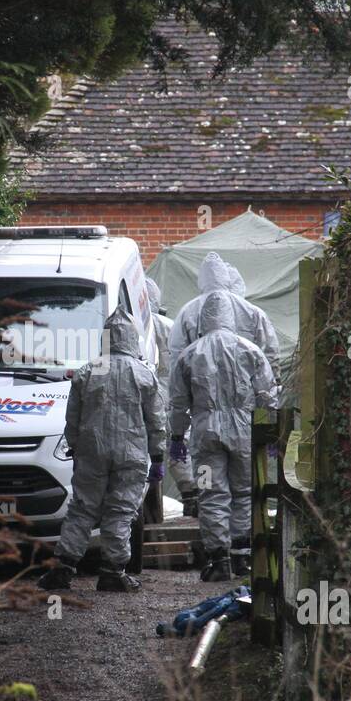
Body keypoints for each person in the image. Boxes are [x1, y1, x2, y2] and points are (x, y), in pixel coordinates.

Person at [38, 305, 166, 593]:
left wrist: (73, 447)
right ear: (132, 338)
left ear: (105, 338)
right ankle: (113, 570)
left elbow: (73, 418)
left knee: (82, 508)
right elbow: (156, 420)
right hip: (131, 452)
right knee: (121, 510)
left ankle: (64, 568)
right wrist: (157, 455)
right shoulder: (144, 374)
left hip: (91, 451)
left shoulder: (87, 372)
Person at [167, 251, 280, 554]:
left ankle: (217, 557)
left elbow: (177, 399)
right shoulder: (251, 346)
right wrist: (270, 426)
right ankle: (241, 553)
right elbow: (269, 386)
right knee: (244, 490)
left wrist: (177, 436)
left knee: (210, 491)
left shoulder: (189, 348)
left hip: (204, 432)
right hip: (244, 428)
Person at [144, 278, 195, 515]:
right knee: (180, 450)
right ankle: (192, 497)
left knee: (146, 456)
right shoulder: (171, 325)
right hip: (173, 400)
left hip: (142, 404)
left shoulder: (127, 328)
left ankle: (149, 509)